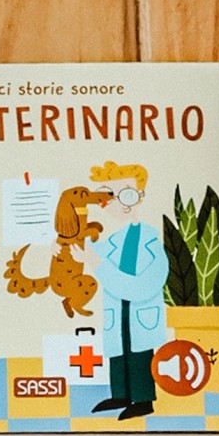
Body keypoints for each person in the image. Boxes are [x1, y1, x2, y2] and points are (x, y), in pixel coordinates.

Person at [82, 161, 168, 420]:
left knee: (139, 354)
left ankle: (143, 399)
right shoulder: (115, 239)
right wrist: (64, 244)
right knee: (118, 352)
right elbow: (90, 251)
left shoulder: (151, 239)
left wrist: (98, 264)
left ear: (140, 195)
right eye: (110, 195)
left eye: (126, 193)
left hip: (139, 310)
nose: (119, 202)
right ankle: (120, 394)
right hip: (118, 308)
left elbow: (146, 285)